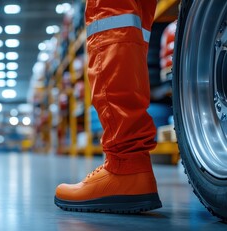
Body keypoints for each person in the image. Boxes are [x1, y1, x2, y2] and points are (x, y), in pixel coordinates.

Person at [54, 0, 162, 213]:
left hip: (127, 165)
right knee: (130, 23)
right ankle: (132, 162)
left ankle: (125, 164)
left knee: (111, 13)